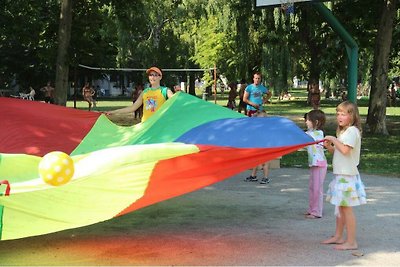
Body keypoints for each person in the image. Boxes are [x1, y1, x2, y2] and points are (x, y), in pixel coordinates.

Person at [321, 101, 367, 250]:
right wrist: (330, 147)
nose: (339, 116)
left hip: (347, 176)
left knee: (346, 208)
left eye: (343, 114)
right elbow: (340, 152)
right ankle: (339, 236)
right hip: (341, 175)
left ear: (352, 116)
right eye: (338, 113)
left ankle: (352, 241)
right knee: (340, 207)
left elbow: (346, 151)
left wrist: (333, 140)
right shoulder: (344, 132)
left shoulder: (353, 131)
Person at [107, 67, 174, 122]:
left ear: (160, 77)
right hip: (145, 126)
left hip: (160, 126)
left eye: (155, 75)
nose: (152, 77)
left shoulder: (165, 90)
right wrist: (114, 112)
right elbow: (132, 108)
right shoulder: (145, 92)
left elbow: (177, 102)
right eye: (151, 75)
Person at [304, 109, 327, 219]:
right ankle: (312, 208)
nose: (306, 122)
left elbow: (309, 138)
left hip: (319, 164)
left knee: (317, 188)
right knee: (312, 187)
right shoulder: (309, 133)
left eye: (308, 120)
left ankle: (317, 211)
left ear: (316, 122)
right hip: (314, 164)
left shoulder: (318, 133)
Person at [244, 110, 271, 184]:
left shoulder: (266, 128)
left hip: (266, 147)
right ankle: (253, 176)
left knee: (265, 163)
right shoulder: (256, 127)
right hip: (258, 147)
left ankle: (266, 177)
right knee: (255, 161)